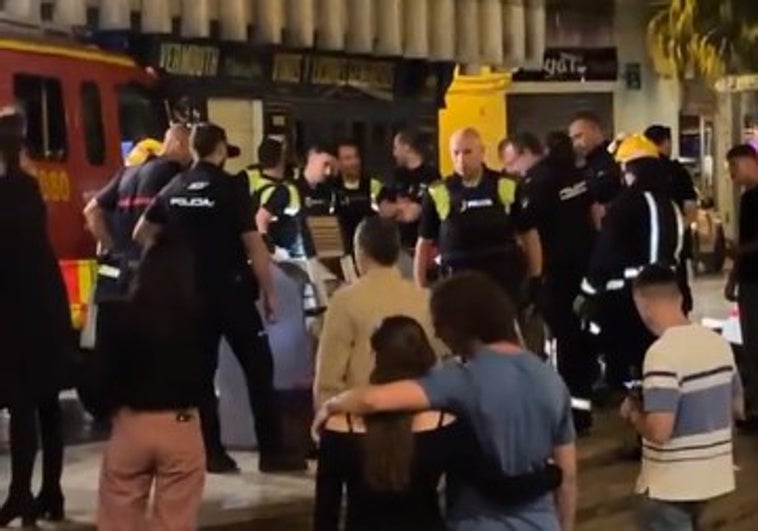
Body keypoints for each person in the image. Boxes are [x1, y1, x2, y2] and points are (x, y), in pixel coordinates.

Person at [313, 272, 578, 531]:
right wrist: (553, 485)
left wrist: (331, 405)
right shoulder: (551, 381)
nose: (439, 336)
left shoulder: (456, 381)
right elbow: (564, 477)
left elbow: (374, 401)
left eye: (439, 325)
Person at [134, 123, 302, 474]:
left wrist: (175, 252)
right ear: (221, 149)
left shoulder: (173, 188)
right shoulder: (230, 188)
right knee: (258, 369)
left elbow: (142, 233)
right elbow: (253, 244)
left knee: (201, 377)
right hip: (233, 294)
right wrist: (270, 292)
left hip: (191, 298)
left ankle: (213, 452)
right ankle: (272, 453)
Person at [620, 264, 742, 531]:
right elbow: (737, 407)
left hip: (671, 485)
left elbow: (660, 430)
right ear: (679, 297)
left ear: (642, 303)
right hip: (712, 479)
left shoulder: (661, 353)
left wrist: (633, 413)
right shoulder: (719, 343)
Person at [97, 237, 206, 531]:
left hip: (132, 424)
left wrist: (108, 411)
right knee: (176, 520)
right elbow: (205, 376)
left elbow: (100, 374)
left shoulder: (117, 315)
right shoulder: (199, 317)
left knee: (118, 515)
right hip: (181, 423)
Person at [0, 109, 73, 525]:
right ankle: (52, 493)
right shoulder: (27, 188)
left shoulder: (7, 190)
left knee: (22, 405)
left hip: (17, 312)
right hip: (47, 305)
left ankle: (20, 497)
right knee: (47, 404)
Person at [577, 134, 684, 392]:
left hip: (628, 297)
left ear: (627, 169)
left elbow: (606, 253)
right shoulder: (667, 203)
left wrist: (587, 291)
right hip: (663, 291)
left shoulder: (629, 203)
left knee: (630, 360)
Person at [505, 131, 597, 433]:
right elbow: (594, 215)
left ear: (524, 152)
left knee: (559, 342)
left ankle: (566, 416)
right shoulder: (575, 175)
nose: (509, 171)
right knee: (578, 338)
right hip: (584, 268)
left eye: (510, 162)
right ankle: (582, 407)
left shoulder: (536, 183)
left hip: (555, 272)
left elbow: (526, 229)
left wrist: (532, 278)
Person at [314, 217, 444, 407]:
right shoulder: (425, 298)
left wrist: (325, 425)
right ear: (396, 252)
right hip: (421, 411)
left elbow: (328, 381)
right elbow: (440, 366)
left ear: (360, 252)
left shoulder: (344, 301)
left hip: (365, 419)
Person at [415, 128, 527, 307]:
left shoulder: (506, 185)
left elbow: (528, 234)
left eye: (467, 152)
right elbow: (423, 243)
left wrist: (534, 278)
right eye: (456, 153)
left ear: (482, 152)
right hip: (458, 287)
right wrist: (420, 288)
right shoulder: (438, 191)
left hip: (502, 285)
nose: (461, 159)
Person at [644, 125, 698, 315]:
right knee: (677, 292)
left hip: (646, 248)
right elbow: (691, 209)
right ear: (666, 142)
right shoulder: (677, 171)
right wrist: (678, 231)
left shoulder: (638, 172)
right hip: (676, 248)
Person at [725, 144, 758, 423]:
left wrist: (739, 253)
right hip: (748, 279)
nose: (732, 175)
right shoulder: (747, 199)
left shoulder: (752, 199)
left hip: (754, 281)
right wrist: (733, 278)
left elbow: (748, 244)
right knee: (749, 344)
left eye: (734, 167)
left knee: (754, 346)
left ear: (748, 162)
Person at [382, 128, 442, 252]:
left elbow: (412, 215)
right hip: (400, 246)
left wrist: (398, 207)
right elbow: (383, 209)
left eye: (396, 148)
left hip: (425, 246)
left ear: (407, 148)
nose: (394, 153)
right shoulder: (396, 174)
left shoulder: (431, 175)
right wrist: (401, 207)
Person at [247, 137, 304, 257]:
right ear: (281, 159)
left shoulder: (253, 183)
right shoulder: (283, 191)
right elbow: (260, 220)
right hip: (282, 257)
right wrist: (273, 250)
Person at [568, 111, 622, 225]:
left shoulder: (618, 158)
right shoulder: (581, 167)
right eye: (572, 139)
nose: (575, 144)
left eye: (579, 136)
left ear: (596, 131)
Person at [333, 140, 384, 253]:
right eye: (348, 158)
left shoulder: (373, 185)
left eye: (356, 157)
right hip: (340, 252)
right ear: (338, 162)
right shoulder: (331, 188)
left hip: (369, 252)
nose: (354, 162)